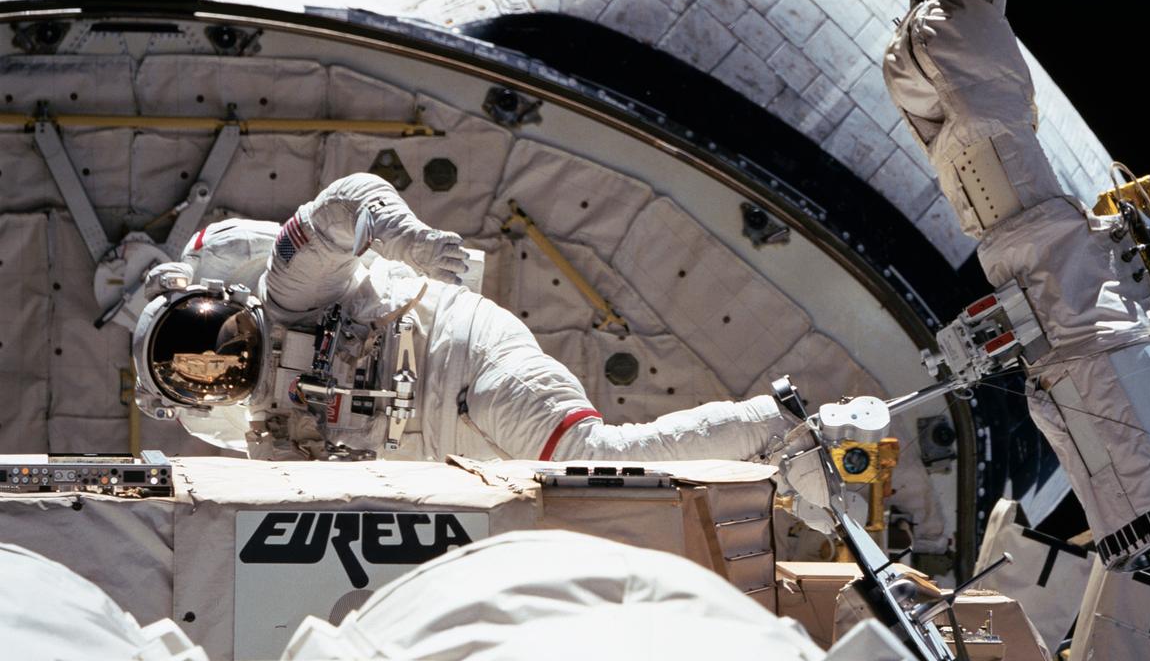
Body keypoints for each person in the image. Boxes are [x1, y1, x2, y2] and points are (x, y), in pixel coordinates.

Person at [132, 173, 791, 463]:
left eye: (214, 341)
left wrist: (404, 238)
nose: (226, 359)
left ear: (226, 302)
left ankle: (775, 422)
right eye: (205, 372)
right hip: (452, 454)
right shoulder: (266, 432)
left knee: (588, 458)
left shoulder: (291, 294)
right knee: (584, 502)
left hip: (469, 360)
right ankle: (770, 448)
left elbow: (343, 205)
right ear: (197, 399)